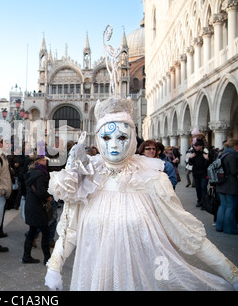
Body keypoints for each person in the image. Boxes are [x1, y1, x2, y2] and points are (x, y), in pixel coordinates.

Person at [44, 94, 238, 291]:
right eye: (106, 137)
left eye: (122, 137)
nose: (113, 145)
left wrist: (231, 273)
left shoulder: (151, 179)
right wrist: (54, 266)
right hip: (94, 278)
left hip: (140, 280)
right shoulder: (86, 177)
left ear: (132, 137)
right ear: (97, 138)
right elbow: (71, 231)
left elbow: (185, 232)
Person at [22, 155, 52, 264]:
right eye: (44, 160)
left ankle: (26, 256)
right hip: (37, 207)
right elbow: (41, 191)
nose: (46, 162)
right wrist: (48, 196)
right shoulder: (40, 174)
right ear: (39, 161)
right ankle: (47, 258)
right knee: (45, 231)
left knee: (32, 231)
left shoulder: (31, 172)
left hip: (30, 204)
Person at [215, 139, 238, 235]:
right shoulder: (232, 156)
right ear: (235, 146)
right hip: (230, 185)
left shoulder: (222, 154)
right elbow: (234, 171)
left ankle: (219, 226)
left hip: (221, 183)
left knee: (223, 206)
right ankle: (229, 228)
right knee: (230, 207)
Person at [188, 139, 212, 208]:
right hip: (196, 173)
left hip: (204, 174)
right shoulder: (194, 153)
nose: (195, 147)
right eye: (195, 146)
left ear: (201, 146)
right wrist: (190, 158)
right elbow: (190, 163)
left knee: (203, 187)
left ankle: (204, 202)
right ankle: (199, 200)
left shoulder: (206, 153)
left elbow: (210, 164)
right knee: (198, 188)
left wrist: (207, 159)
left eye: (197, 146)